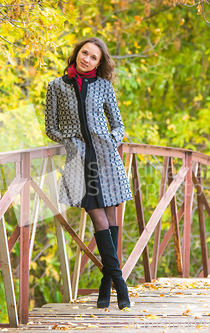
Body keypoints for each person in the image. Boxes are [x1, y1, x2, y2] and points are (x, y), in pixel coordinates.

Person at [44, 37, 133, 309]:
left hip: (106, 158)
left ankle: (106, 288)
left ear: (98, 62)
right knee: (99, 218)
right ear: (76, 54)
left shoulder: (104, 87)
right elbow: (50, 127)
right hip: (80, 161)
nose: (87, 59)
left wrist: (109, 138)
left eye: (94, 57)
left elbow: (119, 125)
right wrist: (69, 139)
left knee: (110, 217)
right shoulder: (56, 86)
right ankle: (120, 285)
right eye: (85, 53)